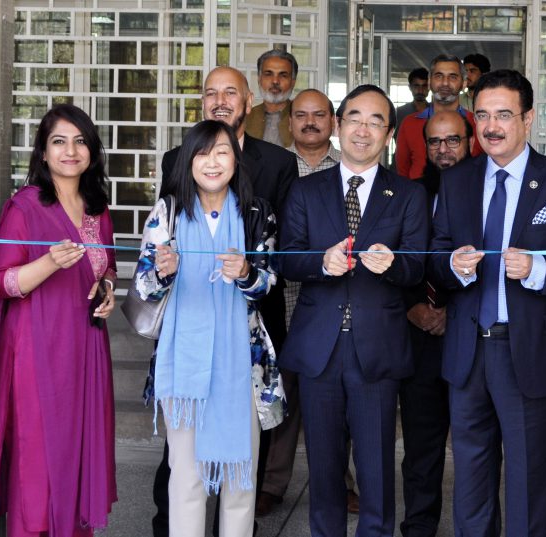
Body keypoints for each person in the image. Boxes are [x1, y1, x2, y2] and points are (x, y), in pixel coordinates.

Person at [428, 69, 546, 536]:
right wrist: (454, 267)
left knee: (529, 481)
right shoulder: (457, 181)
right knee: (469, 480)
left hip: (529, 353)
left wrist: (539, 269)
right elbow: (435, 258)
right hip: (468, 353)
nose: (491, 127)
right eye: (482, 115)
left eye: (503, 115)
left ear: (528, 119)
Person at [153, 65, 298, 537]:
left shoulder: (257, 212)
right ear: (187, 161)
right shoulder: (169, 212)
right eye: (202, 154)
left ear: (237, 159)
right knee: (186, 477)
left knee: (240, 478)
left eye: (222, 153)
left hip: (242, 360)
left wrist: (248, 274)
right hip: (186, 359)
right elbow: (145, 287)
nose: (212, 162)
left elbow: (270, 281)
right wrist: (161, 271)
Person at [280, 84, 429, 537]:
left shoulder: (407, 194)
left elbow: (420, 266)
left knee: (376, 465)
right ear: (338, 125)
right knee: (323, 468)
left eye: (376, 121)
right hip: (318, 348)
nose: (363, 130)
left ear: (389, 134)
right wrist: (319, 263)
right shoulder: (305, 190)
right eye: (355, 118)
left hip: (377, 348)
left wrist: (394, 265)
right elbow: (285, 257)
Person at [0, 103, 118, 536]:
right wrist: (48, 263)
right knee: (39, 462)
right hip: (37, 352)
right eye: (58, 141)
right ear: (42, 152)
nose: (70, 151)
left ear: (92, 152)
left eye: (80, 141)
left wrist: (109, 292)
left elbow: (106, 267)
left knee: (78, 458)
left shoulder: (98, 208)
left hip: (86, 350)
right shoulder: (23, 208)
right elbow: (2, 282)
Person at [256, 88, 360, 517]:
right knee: (283, 399)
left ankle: (341, 483)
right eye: (301, 115)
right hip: (283, 300)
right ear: (290, 121)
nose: (310, 122)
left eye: (320, 115)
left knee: (340, 405)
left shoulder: (352, 164)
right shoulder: (275, 166)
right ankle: (271, 483)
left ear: (333, 121)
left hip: (337, 303)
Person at [399, 110, 471, 537]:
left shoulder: (487, 189)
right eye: (435, 142)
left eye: (453, 141)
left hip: (468, 334)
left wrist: (451, 312)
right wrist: (414, 307)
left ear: (469, 141)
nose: (444, 150)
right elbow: (390, 256)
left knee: (474, 447)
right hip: (418, 335)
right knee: (422, 449)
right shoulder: (407, 193)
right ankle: (419, 528)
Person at [396, 54, 482, 179]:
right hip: (419, 196)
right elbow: (402, 173)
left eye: (453, 77)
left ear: (463, 83)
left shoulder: (477, 124)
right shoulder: (409, 123)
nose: (445, 83)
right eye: (439, 76)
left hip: (465, 196)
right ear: (430, 82)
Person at [245, 49, 298, 147]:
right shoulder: (245, 118)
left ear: (293, 82)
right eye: (268, 74)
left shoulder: (301, 118)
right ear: (259, 79)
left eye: (283, 75)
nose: (275, 81)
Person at [394, 67, 429, 139]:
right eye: (416, 86)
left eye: (424, 86)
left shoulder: (436, 112)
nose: (420, 90)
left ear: (429, 87)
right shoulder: (399, 113)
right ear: (410, 87)